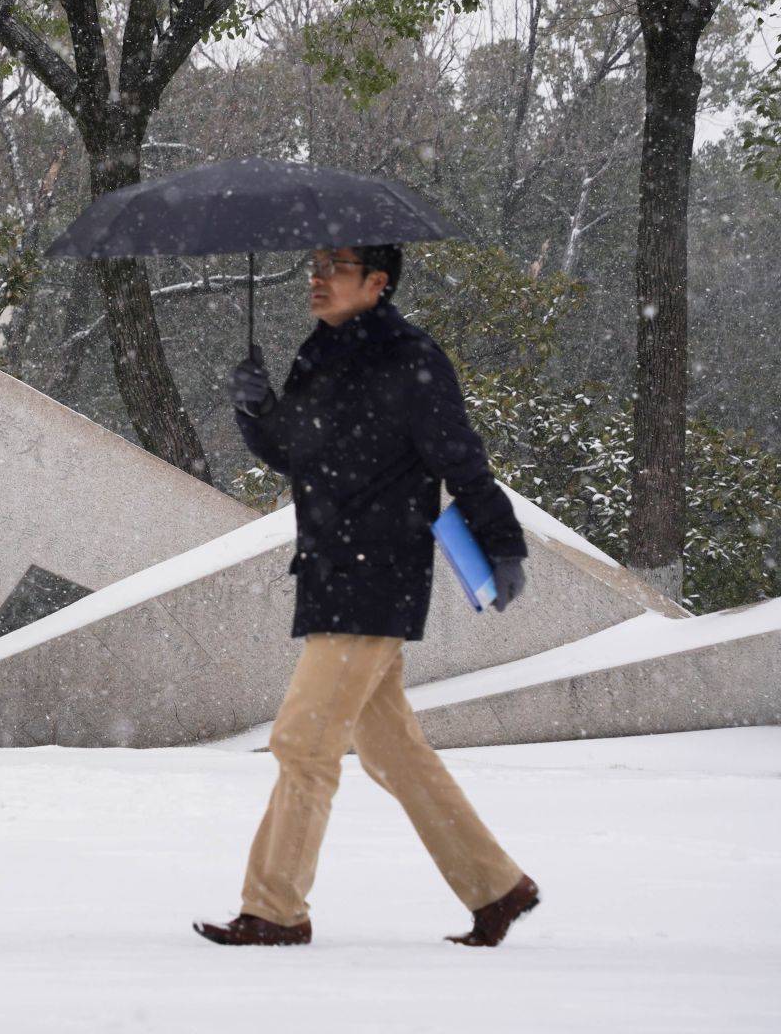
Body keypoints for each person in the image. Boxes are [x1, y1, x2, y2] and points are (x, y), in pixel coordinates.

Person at [194, 243, 540, 949]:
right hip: (329, 567)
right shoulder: (318, 354)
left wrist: (503, 542)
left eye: (336, 267)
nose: (317, 278)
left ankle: (276, 910)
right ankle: (497, 887)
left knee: (303, 742)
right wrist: (257, 410)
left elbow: (460, 458)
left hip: (378, 572)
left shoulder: (411, 358)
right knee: (389, 751)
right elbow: (296, 452)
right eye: (315, 265)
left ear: (377, 282)